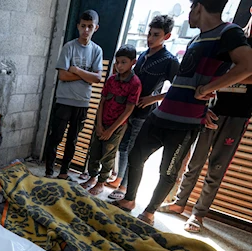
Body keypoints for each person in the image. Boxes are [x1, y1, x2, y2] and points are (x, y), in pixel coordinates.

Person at [112, 0, 252, 226]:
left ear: (198, 7)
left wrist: (208, 90)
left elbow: (247, 67)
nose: (189, 15)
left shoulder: (229, 32)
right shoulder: (197, 38)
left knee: (167, 170)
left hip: (185, 123)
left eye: (190, 8)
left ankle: (148, 212)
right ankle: (129, 200)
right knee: (136, 155)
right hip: (162, 113)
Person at [158, 20, 252, 233]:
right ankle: (179, 203)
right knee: (195, 160)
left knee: (217, 167)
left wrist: (235, 75)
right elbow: (211, 72)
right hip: (212, 108)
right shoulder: (231, 36)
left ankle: (198, 214)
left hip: (237, 116)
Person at [107, 15, 181, 199]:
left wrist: (153, 98)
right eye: (149, 34)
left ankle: (124, 188)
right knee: (123, 146)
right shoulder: (142, 56)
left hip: (145, 111)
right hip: (130, 108)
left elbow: (178, 88)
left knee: (133, 150)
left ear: (167, 36)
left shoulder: (169, 60)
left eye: (156, 34)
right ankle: (120, 179)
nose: (150, 38)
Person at [45, 10, 103, 180]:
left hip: (82, 103)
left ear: (96, 28)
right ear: (78, 26)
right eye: (83, 26)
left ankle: (64, 172)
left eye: (90, 27)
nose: (86, 30)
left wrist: (76, 70)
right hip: (64, 101)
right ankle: (49, 171)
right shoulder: (69, 47)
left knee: (72, 141)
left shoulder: (97, 51)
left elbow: (98, 78)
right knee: (56, 137)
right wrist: (88, 75)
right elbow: (62, 75)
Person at [83, 45, 142, 195]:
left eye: (123, 62)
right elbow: (102, 102)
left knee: (108, 154)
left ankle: (101, 182)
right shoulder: (111, 80)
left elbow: (128, 110)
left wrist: (110, 130)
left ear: (133, 62)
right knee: (95, 150)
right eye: (117, 62)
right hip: (102, 122)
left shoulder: (135, 83)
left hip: (117, 127)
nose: (119, 66)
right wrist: (99, 125)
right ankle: (92, 178)